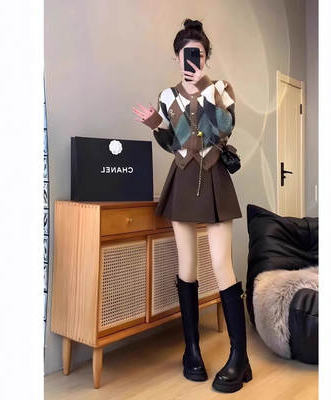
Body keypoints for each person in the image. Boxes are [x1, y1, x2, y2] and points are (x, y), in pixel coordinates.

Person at [132, 18, 253, 393]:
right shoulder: (167, 97)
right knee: (186, 266)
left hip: (214, 178)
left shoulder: (221, 89)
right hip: (183, 180)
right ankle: (192, 352)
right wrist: (157, 124)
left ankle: (239, 357)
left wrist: (203, 87)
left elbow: (223, 129)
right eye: (186, 55)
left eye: (198, 55)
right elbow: (176, 144)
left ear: (206, 57)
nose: (192, 61)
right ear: (176, 57)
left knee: (221, 264)